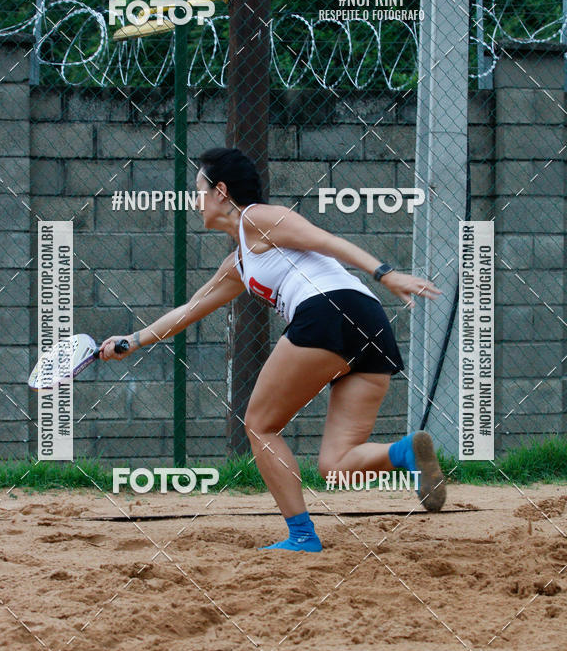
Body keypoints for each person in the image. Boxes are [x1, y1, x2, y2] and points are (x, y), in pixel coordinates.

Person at [100, 147, 446, 552]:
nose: (196, 201)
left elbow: (326, 240)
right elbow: (189, 310)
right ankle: (404, 452)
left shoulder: (256, 218)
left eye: (200, 190)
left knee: (260, 425)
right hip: (370, 325)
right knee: (334, 466)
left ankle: (302, 536)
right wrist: (132, 341)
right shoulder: (238, 264)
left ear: (221, 191)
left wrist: (385, 273)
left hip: (328, 311)